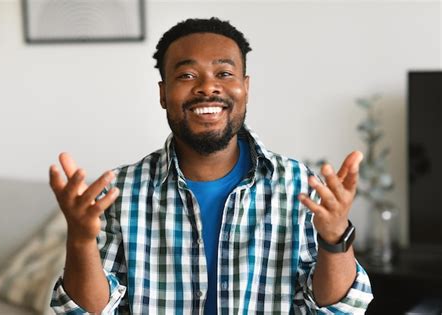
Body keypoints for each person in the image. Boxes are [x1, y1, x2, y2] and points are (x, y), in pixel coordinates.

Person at [49, 17, 373, 314]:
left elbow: (340, 311)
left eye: (224, 73)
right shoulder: (119, 192)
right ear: (163, 94)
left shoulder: (301, 186)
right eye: (187, 75)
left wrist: (336, 238)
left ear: (245, 87)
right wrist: (80, 240)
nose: (207, 87)